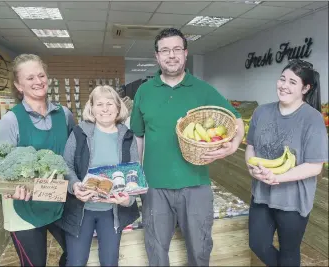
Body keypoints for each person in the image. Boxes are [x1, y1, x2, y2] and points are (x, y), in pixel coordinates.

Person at [130, 28, 245, 266]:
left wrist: (233, 146)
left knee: (200, 249)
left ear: (185, 53)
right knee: (156, 250)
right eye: (164, 50)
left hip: (196, 185)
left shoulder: (202, 89)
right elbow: (138, 137)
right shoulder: (144, 91)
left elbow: (235, 119)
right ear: (157, 56)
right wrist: (137, 175)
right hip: (155, 187)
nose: (171, 55)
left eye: (176, 49)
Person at [0, 54, 75, 266]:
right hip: (23, 206)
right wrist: (10, 187)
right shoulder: (11, 120)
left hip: (58, 200)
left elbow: (74, 153)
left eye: (41, 75)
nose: (38, 81)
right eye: (30, 78)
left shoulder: (64, 114)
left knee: (77, 254)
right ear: (18, 85)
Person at [245, 59, 328, 266]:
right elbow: (251, 147)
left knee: (289, 253)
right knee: (258, 244)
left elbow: (315, 166)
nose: (284, 85)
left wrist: (278, 177)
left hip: (293, 201)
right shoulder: (261, 112)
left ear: (306, 88)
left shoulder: (313, 119)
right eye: (282, 79)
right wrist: (251, 168)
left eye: (292, 82)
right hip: (262, 194)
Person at [56, 85, 140, 266]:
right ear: (91, 108)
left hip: (112, 212)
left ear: (118, 107)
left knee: (110, 262)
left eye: (110, 103)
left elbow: (133, 172)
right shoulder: (79, 133)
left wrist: (128, 199)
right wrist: (75, 185)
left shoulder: (127, 137)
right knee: (76, 261)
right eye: (99, 104)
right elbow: (66, 166)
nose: (104, 109)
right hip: (81, 210)